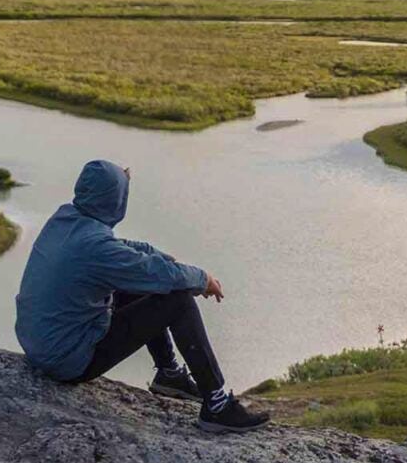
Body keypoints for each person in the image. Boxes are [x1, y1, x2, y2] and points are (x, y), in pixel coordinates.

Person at [14, 160, 269, 434]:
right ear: (116, 199)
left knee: (138, 282)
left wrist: (157, 255)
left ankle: (169, 374)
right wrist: (202, 279)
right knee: (178, 300)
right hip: (68, 360)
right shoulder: (96, 248)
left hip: (42, 346)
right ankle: (217, 406)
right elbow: (156, 274)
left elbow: (122, 251)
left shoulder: (65, 218)